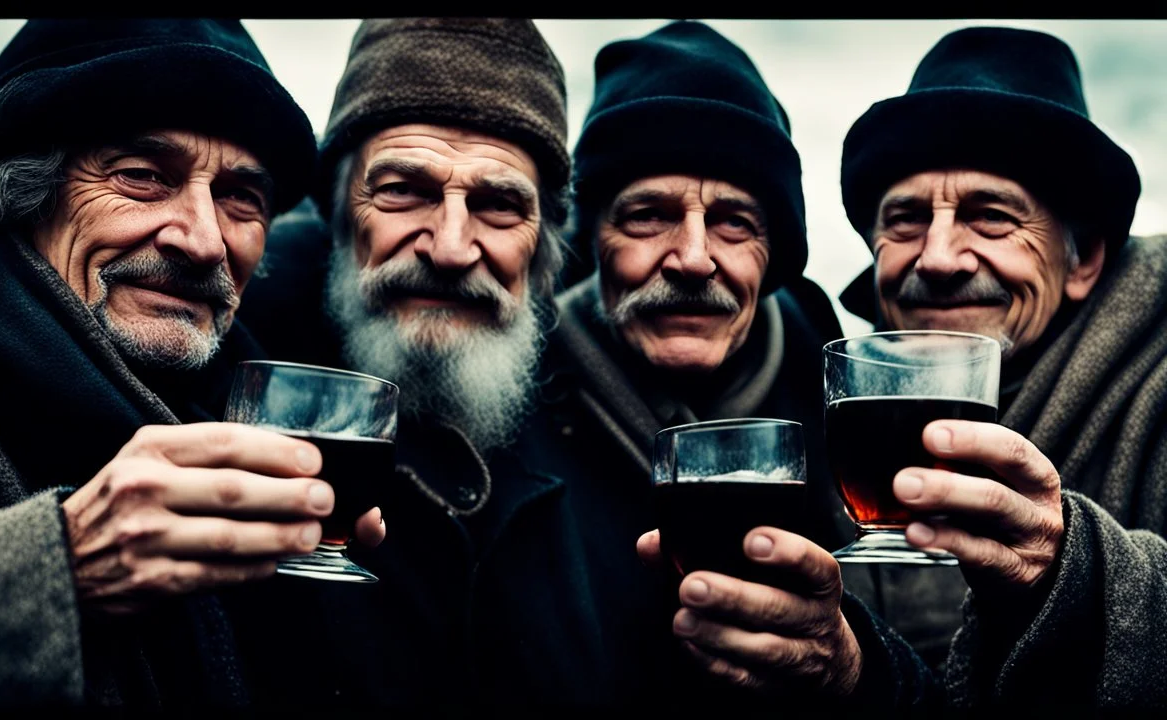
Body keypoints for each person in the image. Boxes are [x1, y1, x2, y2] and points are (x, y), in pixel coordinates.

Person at [237, 17, 933, 712]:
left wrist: (857, 671)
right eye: (402, 191)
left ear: (542, 248)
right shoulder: (239, 352)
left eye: (499, 204)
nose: (450, 246)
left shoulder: (853, 418)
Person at [0, 19, 384, 709]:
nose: (205, 241)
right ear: (26, 189)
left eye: (242, 197)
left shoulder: (255, 401)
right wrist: (53, 564)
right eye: (144, 176)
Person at [838, 25, 1167, 708]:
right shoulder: (844, 424)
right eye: (903, 220)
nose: (937, 257)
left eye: (990, 217)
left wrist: (1071, 578)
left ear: (1083, 262)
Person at [553, 19, 883, 694]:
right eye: (647, 214)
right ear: (591, 239)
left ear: (776, 255)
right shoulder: (504, 402)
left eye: (735, 221)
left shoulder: (846, 411)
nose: (694, 258)